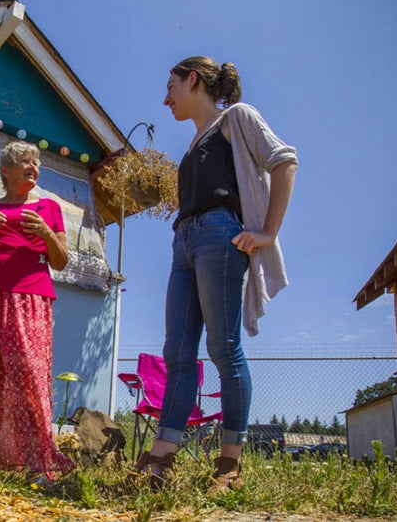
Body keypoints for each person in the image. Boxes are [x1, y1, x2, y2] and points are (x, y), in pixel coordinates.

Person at [137, 56, 298, 495]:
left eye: (171, 85)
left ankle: (229, 463)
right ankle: (163, 454)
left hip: (221, 236)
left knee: (224, 347)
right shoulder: (192, 145)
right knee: (178, 353)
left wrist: (267, 232)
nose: (165, 97)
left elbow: (284, 161)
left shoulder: (236, 118)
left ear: (193, 80)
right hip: (184, 242)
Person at [0, 140, 76, 483]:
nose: (33, 168)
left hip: (30, 298)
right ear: (6, 171)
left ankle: (40, 463)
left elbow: (61, 261)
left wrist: (46, 234)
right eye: (24, 162)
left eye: (35, 163)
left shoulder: (49, 209)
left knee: (29, 376)